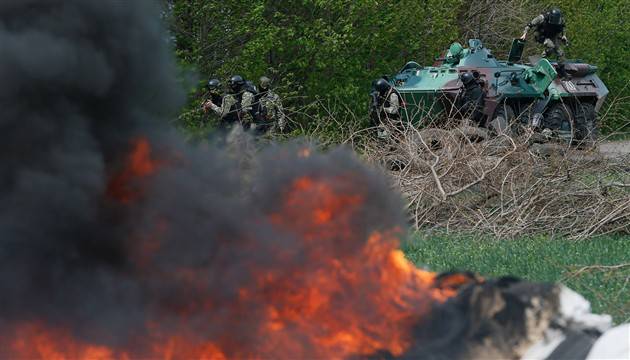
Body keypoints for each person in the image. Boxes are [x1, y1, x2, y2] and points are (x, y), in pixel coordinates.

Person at [521, 8, 569, 78]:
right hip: (541, 34)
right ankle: (541, 58)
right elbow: (530, 24)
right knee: (551, 46)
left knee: (560, 53)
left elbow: (563, 27)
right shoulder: (542, 18)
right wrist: (524, 33)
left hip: (552, 36)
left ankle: (561, 70)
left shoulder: (561, 20)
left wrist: (564, 36)